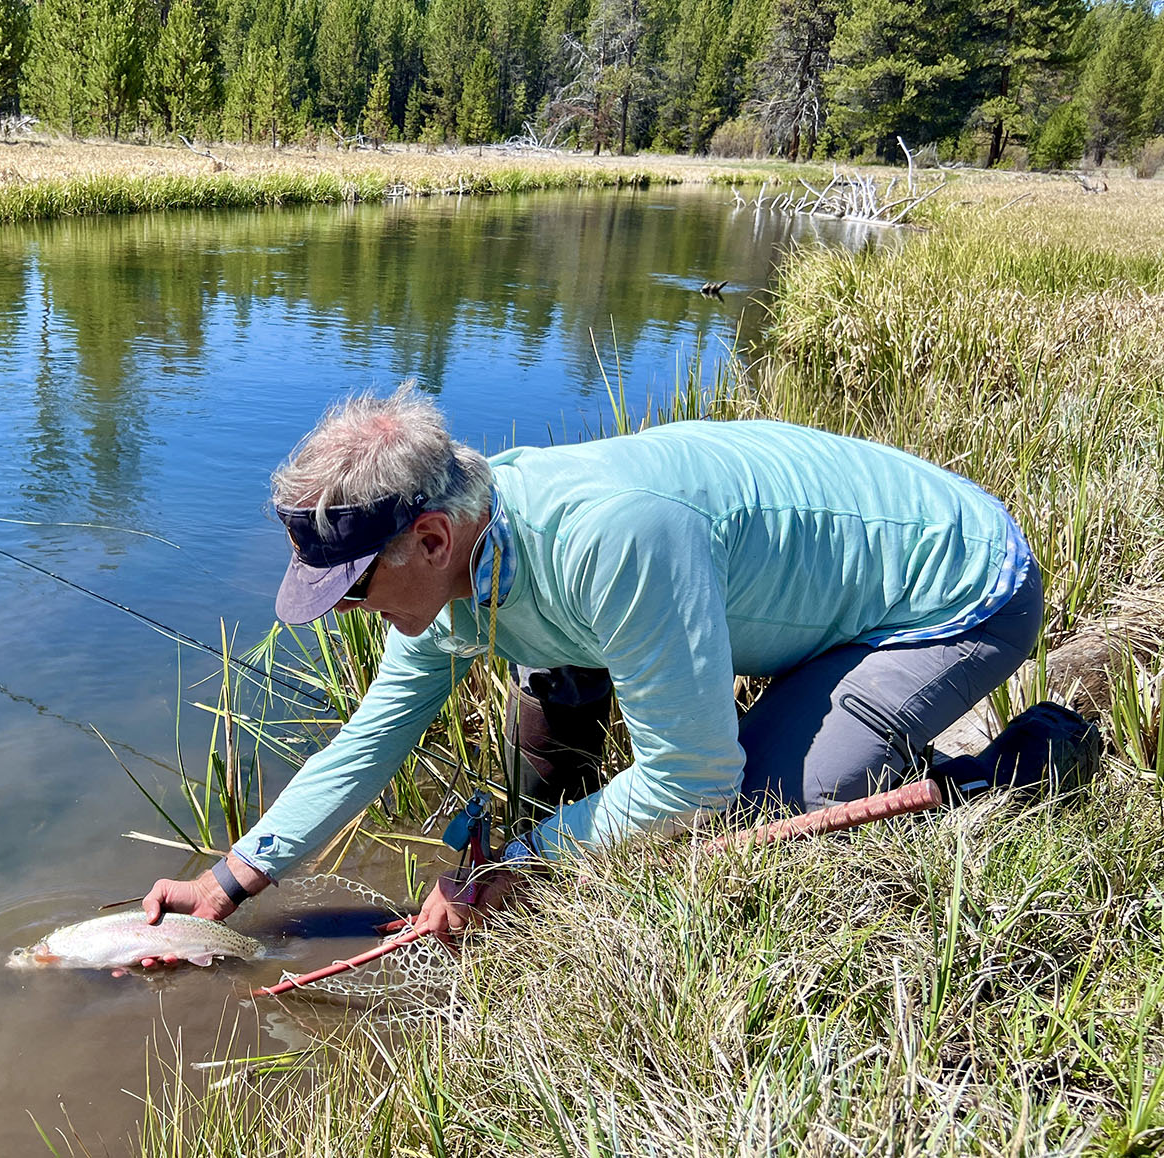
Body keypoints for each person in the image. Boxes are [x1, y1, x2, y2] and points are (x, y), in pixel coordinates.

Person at [141, 386, 1040, 945]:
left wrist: (514, 868)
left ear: (430, 536)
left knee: (753, 807)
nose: (342, 610)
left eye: (350, 588)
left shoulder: (613, 539)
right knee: (561, 766)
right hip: (787, 589)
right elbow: (373, 735)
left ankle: (1018, 763)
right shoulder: (462, 554)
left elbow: (694, 781)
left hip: (952, 590)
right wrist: (229, 879)